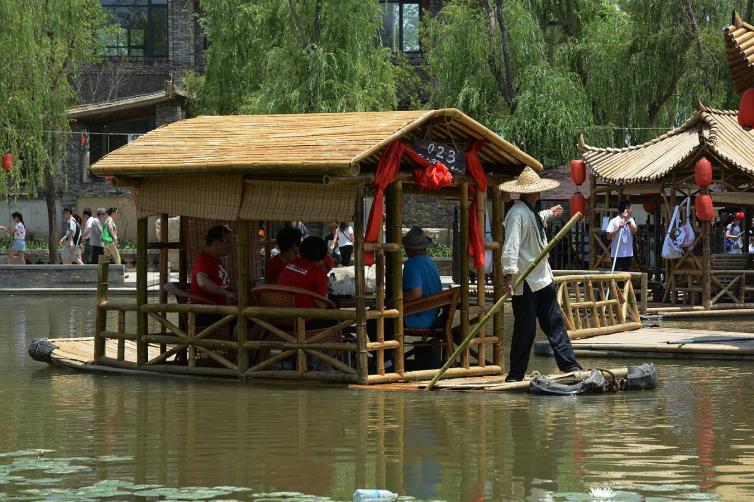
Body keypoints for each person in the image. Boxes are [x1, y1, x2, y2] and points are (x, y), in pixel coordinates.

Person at [500, 166, 582, 382]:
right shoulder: (516, 214)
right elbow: (511, 246)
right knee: (525, 330)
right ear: (534, 192)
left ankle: (570, 366)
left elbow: (536, 218)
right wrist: (508, 275)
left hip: (542, 278)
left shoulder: (529, 211)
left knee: (555, 323)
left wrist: (549, 213)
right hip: (526, 280)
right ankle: (516, 375)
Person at [277, 236, 331, 329]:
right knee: (336, 316)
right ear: (322, 257)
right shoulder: (318, 273)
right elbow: (322, 305)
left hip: (279, 319)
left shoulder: (291, 264)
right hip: (303, 323)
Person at [190, 225, 236, 307]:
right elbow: (203, 282)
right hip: (208, 312)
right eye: (227, 242)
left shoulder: (217, 260)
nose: (230, 246)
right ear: (216, 243)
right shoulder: (203, 259)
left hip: (223, 310)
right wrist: (227, 294)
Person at [606, 199, 638, 272]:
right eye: (630, 208)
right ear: (626, 209)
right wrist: (618, 228)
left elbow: (635, 232)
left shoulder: (631, 220)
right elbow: (608, 237)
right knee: (617, 278)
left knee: (627, 277)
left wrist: (628, 222)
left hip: (628, 254)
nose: (631, 210)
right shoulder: (614, 221)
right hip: (617, 255)